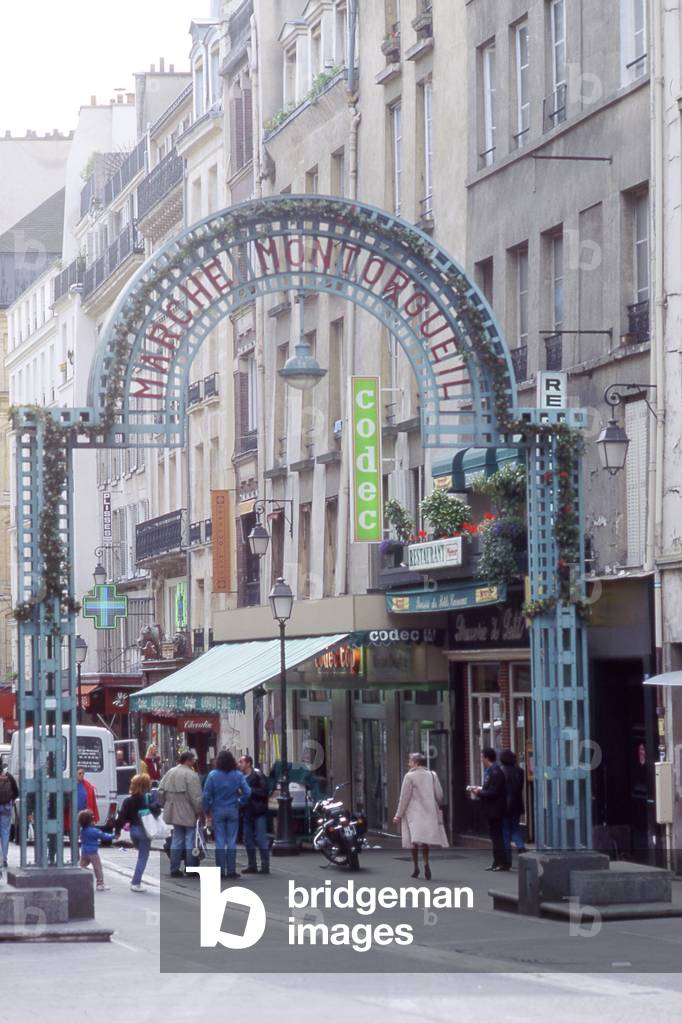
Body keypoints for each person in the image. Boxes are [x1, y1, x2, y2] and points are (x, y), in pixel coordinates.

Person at [393, 752, 448, 880]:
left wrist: (398, 815)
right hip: (429, 812)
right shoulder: (432, 775)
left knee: (414, 842)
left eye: (410, 761)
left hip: (414, 814)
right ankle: (426, 863)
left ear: (416, 763)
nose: (408, 763)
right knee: (425, 842)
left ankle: (416, 867)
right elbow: (439, 795)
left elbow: (404, 798)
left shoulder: (409, 776)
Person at [203, 750, 250, 879]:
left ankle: (220, 870)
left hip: (217, 809)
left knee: (219, 840)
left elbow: (206, 795)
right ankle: (231, 870)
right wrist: (240, 802)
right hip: (232, 809)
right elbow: (247, 791)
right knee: (231, 840)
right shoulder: (237, 775)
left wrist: (207, 810)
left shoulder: (213, 775)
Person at [158, 750, 204, 877]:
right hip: (188, 809)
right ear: (188, 760)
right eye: (193, 760)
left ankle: (174, 868)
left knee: (177, 839)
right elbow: (196, 797)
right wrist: (199, 811)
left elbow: (160, 791)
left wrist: (165, 804)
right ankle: (191, 868)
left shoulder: (170, 772)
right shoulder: (191, 775)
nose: (194, 762)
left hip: (172, 809)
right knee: (190, 839)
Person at [114, 772, 158, 892]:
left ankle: (136, 879)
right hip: (144, 830)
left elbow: (122, 817)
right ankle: (136, 882)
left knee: (141, 854)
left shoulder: (128, 801)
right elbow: (156, 811)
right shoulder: (147, 799)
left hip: (134, 830)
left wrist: (117, 831)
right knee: (143, 857)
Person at [472, 747, 508, 871]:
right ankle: (496, 861)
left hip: (496, 809)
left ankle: (502, 862)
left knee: (497, 836)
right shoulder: (490, 771)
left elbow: (494, 792)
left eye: (482, 757)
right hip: (491, 809)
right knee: (494, 836)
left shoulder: (495, 772)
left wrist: (480, 793)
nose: (481, 760)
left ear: (487, 757)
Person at [238, 754, 270, 875]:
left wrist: (250, 791)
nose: (239, 764)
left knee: (261, 838)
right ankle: (252, 864)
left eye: (241, 762)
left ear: (248, 763)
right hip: (246, 811)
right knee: (248, 839)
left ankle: (265, 864)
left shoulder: (257, 775)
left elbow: (264, 791)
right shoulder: (240, 776)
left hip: (258, 810)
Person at [499, 749, 527, 864]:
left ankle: (507, 858)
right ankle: (521, 846)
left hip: (504, 805)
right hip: (517, 804)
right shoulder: (520, 771)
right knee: (515, 828)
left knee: (505, 831)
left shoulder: (501, 771)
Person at [78, 809, 113, 892]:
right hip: (93, 852)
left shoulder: (82, 830)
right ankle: (100, 884)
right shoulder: (94, 831)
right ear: (91, 821)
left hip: (84, 851)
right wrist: (113, 836)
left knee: (82, 865)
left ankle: (81, 881)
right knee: (98, 868)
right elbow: (104, 836)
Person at [0, 764, 19, 873]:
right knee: (5, 833)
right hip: (7, 807)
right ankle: (4, 859)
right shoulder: (8, 776)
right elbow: (16, 791)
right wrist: (10, 800)